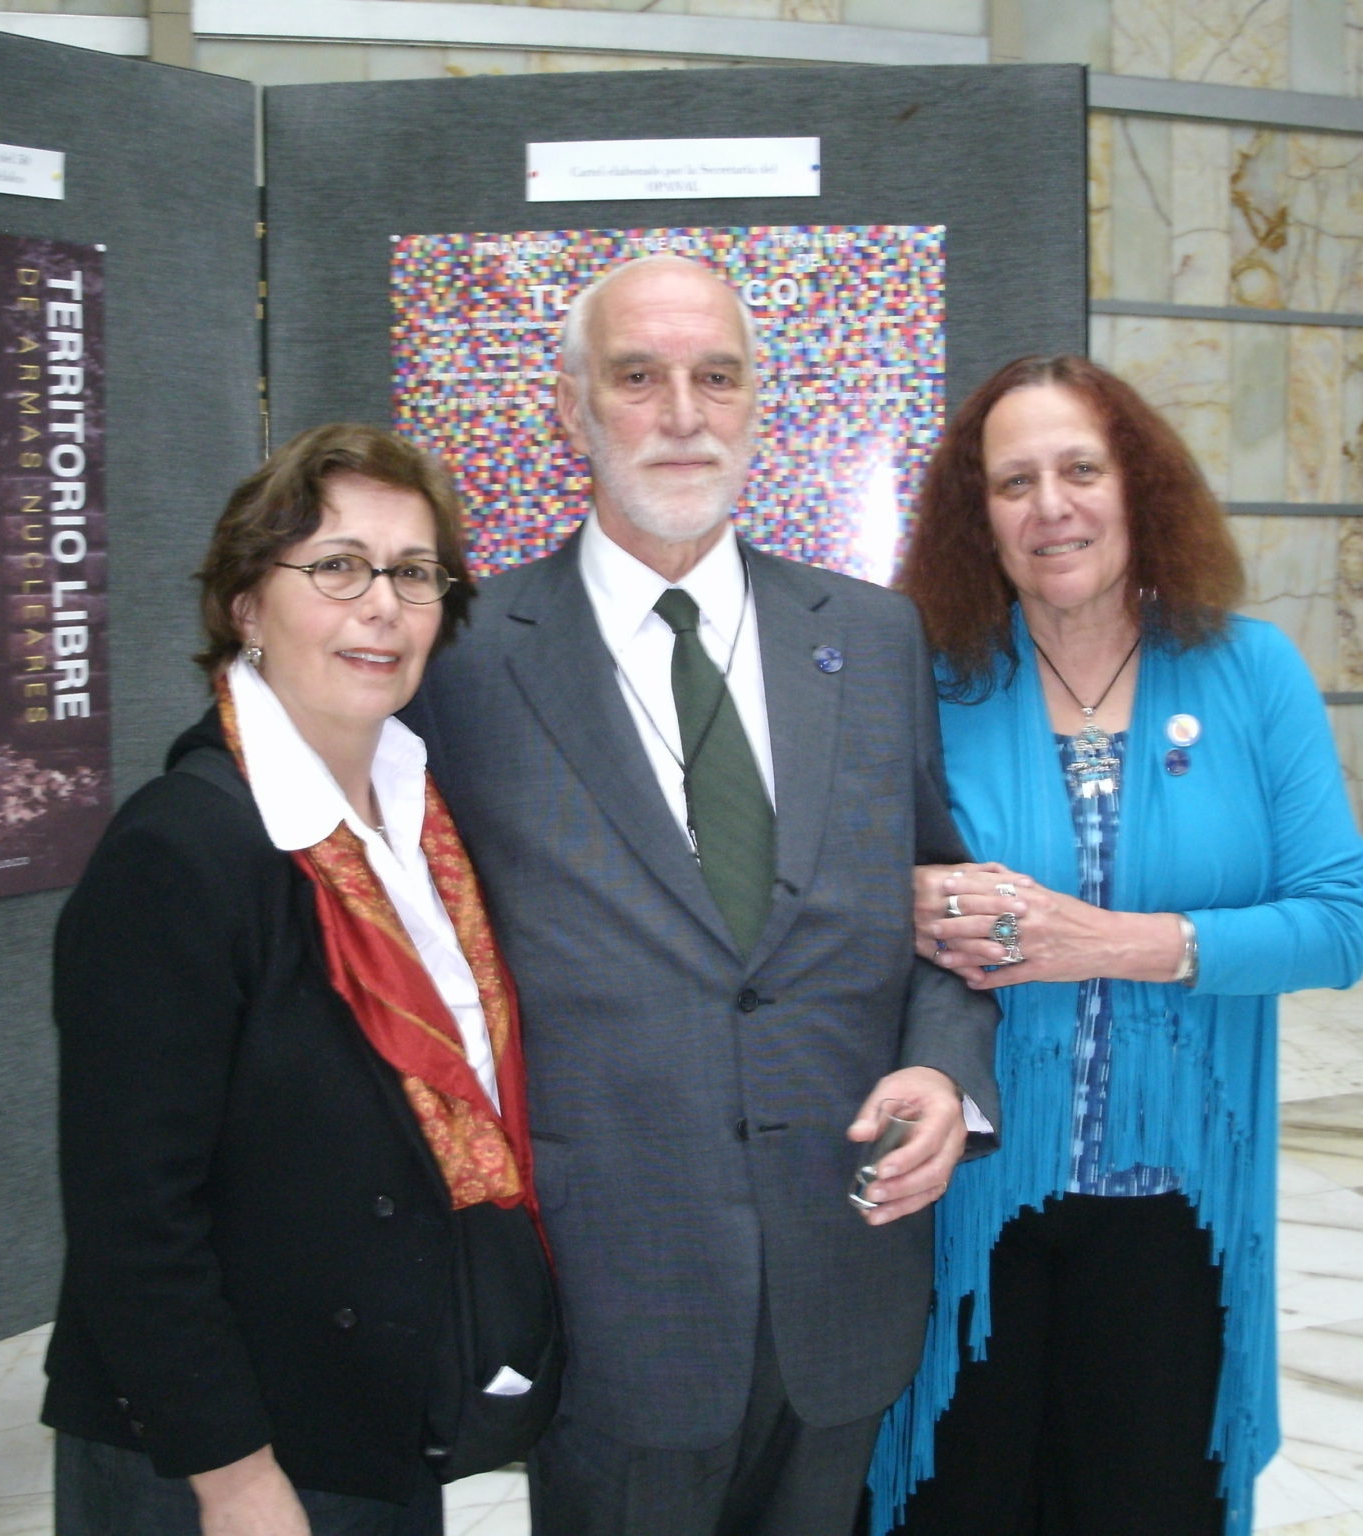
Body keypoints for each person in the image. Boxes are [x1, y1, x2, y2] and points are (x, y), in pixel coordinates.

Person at [403, 254, 1000, 1536]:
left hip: (845, 1254)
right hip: (610, 1287)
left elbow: (936, 908)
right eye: (637, 377)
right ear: (571, 410)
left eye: (714, 376)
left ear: (753, 405)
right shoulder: (461, 659)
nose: (682, 412)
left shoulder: (872, 636)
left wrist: (948, 1072)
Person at [865, 355, 1363, 1536]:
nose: (1051, 507)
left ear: (1135, 487)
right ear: (973, 518)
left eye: (1079, 470)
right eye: (1013, 482)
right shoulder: (924, 682)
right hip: (967, 1199)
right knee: (957, 1500)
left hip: (1175, 1203)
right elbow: (829, 897)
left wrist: (1111, 941)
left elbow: (1337, 921)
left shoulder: (1250, 672)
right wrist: (900, 897)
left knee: (1144, 1500)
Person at [41, 424, 555, 1536]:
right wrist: (234, 1480)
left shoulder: (424, 823)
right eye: (335, 566)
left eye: (413, 573)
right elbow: (132, 1216)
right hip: (219, 1450)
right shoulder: (181, 851)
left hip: (374, 1422)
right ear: (243, 606)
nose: (382, 604)